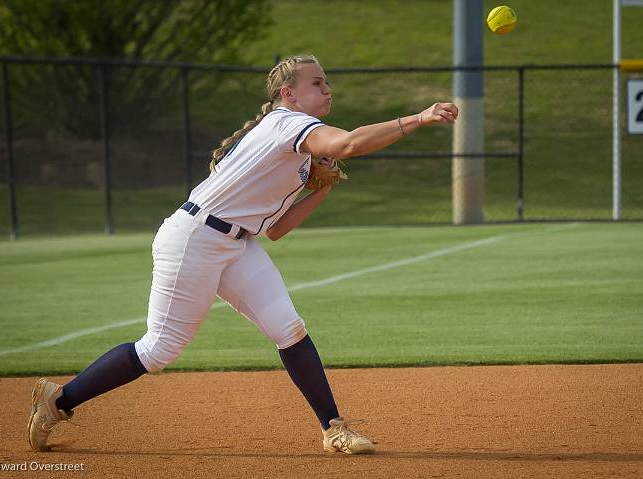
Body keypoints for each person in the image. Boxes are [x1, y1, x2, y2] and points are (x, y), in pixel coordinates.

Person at [27, 55, 458, 455]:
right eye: (317, 82)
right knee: (159, 350)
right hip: (193, 239)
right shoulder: (287, 124)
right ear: (288, 94)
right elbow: (346, 145)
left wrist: (322, 187)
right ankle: (60, 399)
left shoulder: (298, 149)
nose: (328, 89)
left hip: (237, 244)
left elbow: (276, 228)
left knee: (288, 328)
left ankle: (334, 429)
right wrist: (418, 118)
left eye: (327, 82)